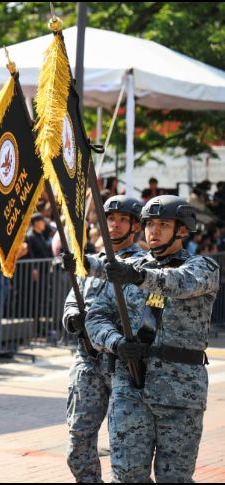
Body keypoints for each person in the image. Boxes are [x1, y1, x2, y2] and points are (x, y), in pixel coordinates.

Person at [85, 195, 220, 482]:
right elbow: (96, 317)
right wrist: (115, 342)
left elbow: (177, 283)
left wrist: (134, 275)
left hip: (180, 391)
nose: (153, 231)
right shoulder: (126, 269)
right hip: (130, 386)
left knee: (175, 478)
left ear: (182, 230)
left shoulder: (203, 268)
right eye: (148, 224)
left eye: (163, 224)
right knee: (127, 475)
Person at [60, 196, 145, 483]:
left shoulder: (141, 266)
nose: (115, 224)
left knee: (126, 448)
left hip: (122, 363)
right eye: (111, 218)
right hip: (87, 360)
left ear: (134, 226)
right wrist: (72, 316)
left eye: (122, 219)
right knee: (77, 444)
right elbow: (74, 297)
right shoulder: (90, 262)